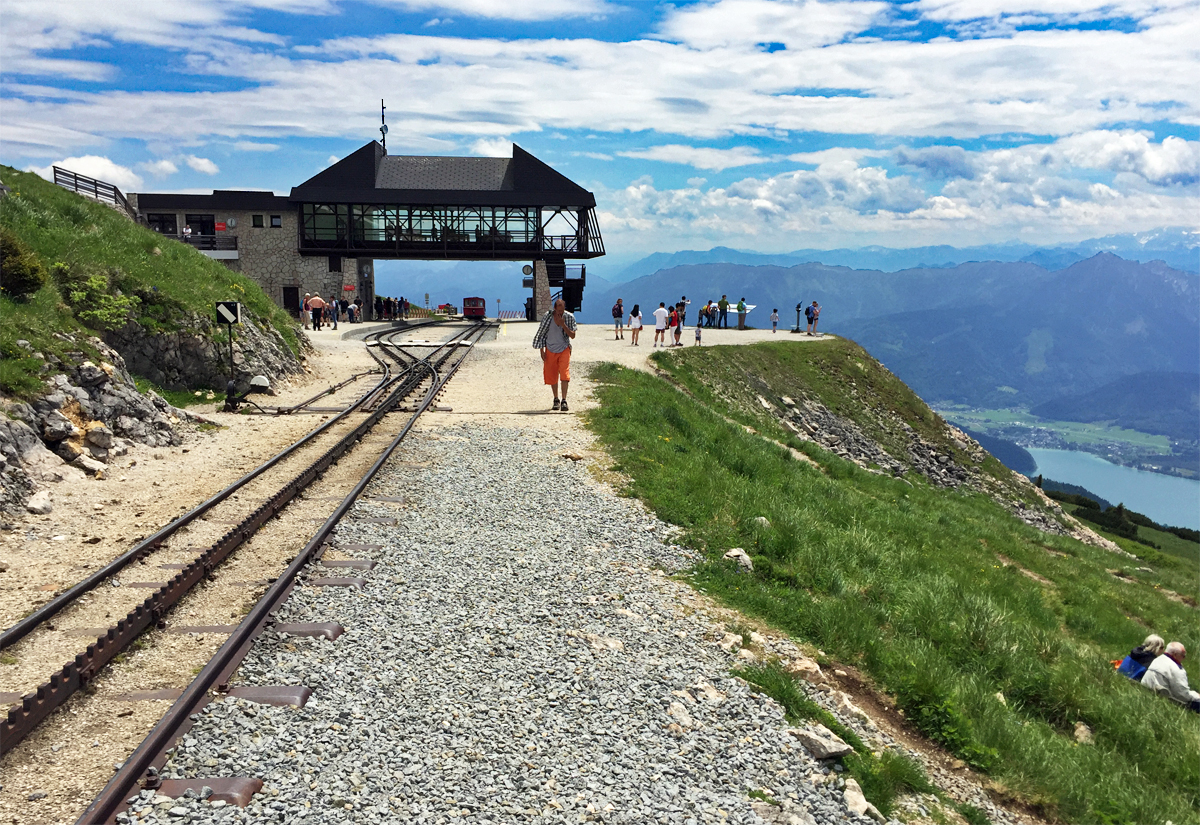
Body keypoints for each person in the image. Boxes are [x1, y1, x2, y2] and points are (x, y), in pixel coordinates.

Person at [532, 298, 577, 411]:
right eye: (559, 310)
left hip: (564, 348)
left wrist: (563, 325)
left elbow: (572, 335)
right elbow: (541, 334)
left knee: (564, 374)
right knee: (552, 375)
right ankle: (556, 399)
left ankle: (564, 400)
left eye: (562, 310)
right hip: (550, 349)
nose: (560, 313)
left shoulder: (569, 317)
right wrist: (541, 350)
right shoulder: (547, 317)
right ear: (555, 308)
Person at [1142, 642, 1200, 712]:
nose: (1184, 658)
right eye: (1183, 656)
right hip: (1169, 699)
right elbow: (1183, 695)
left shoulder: (1157, 660)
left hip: (1148, 691)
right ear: (1175, 655)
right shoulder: (1176, 669)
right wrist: (1196, 696)